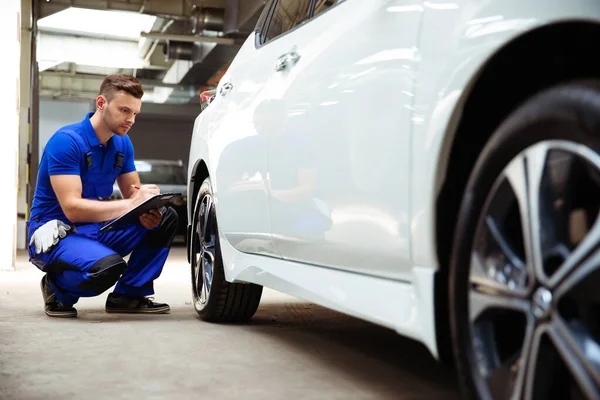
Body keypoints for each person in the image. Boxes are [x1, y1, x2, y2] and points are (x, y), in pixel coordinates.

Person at [27, 74, 178, 318]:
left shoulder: (122, 143)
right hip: (56, 232)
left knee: (165, 217)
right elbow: (72, 209)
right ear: (101, 103)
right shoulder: (66, 142)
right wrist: (131, 203)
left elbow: (134, 196)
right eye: (124, 110)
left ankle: (128, 295)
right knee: (107, 268)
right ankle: (56, 288)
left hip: (95, 227)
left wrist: (148, 209)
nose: (130, 119)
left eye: (135, 113)